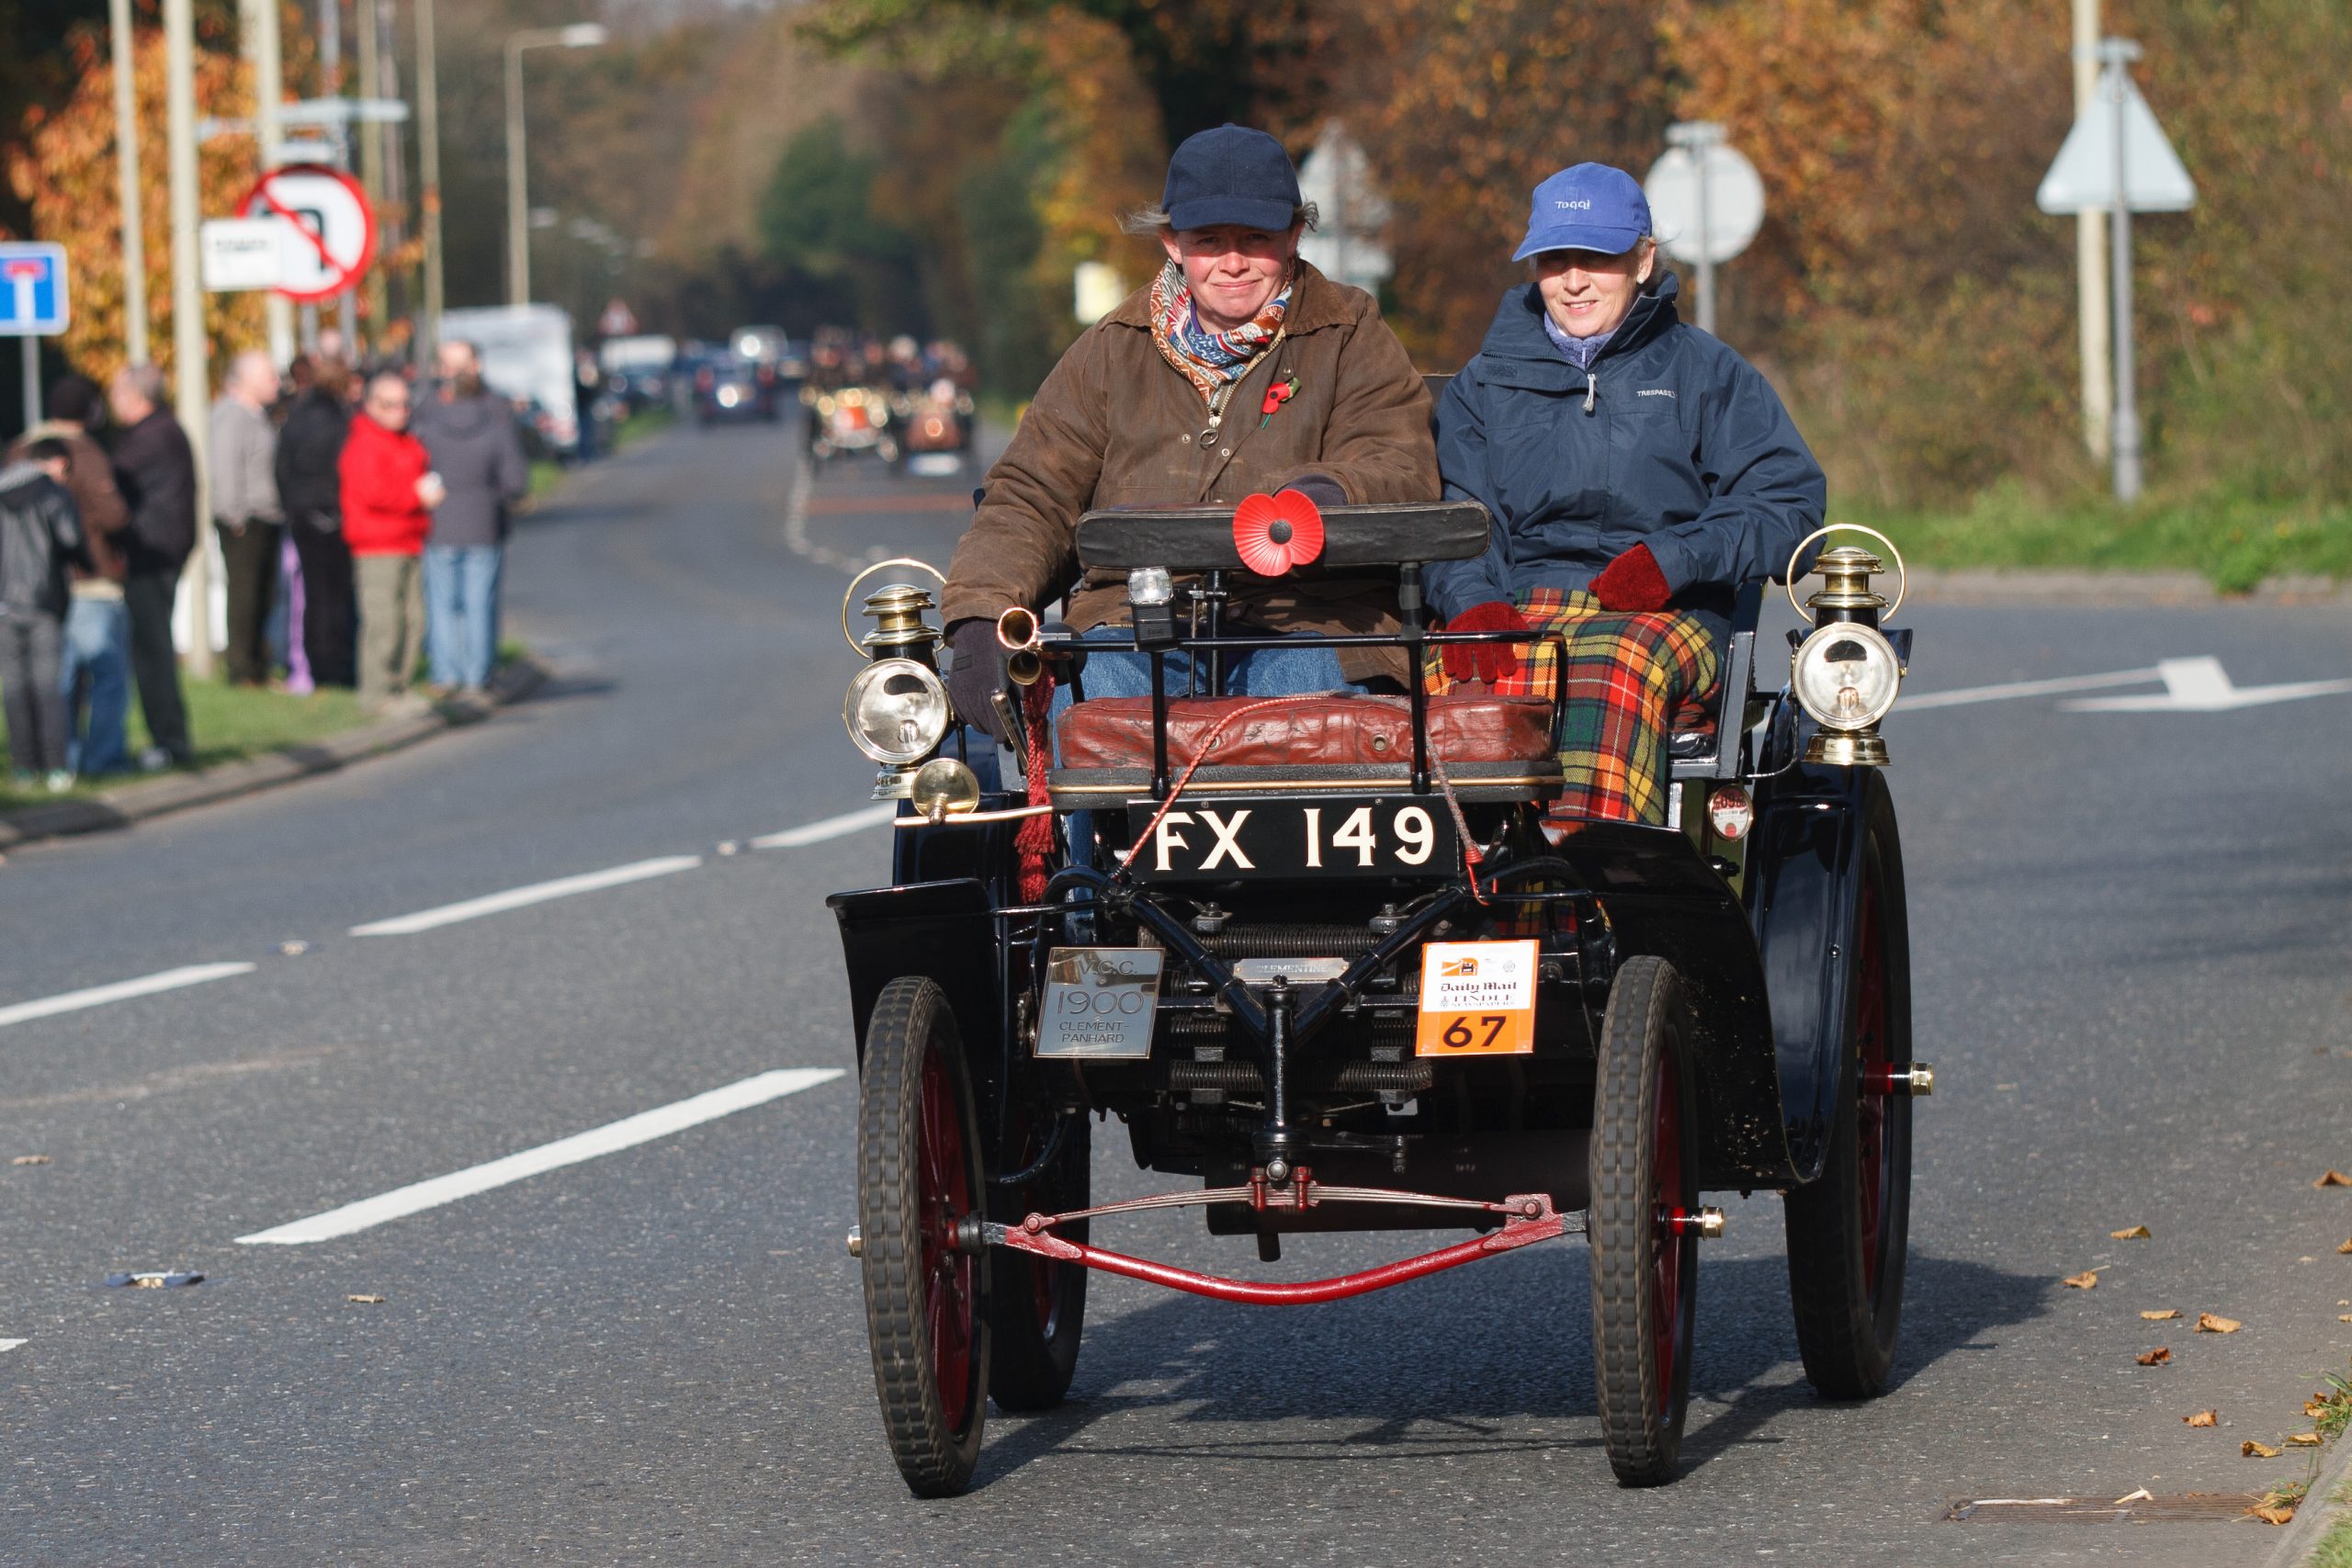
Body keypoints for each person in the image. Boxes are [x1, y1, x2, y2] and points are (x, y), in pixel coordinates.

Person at [941, 123, 1438, 732]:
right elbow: (1030, 497)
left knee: (1309, 704)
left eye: (1255, 239)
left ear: (1294, 236)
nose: (1232, 262)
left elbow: (1398, 462)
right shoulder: (1110, 349)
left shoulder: (1351, 333)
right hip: (1134, 619)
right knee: (1092, 703)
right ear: (1173, 243)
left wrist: (1319, 500)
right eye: (1210, 240)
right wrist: (979, 615)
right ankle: (1100, 832)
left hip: (1314, 617)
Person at [1427, 163, 1826, 825]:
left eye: (1597, 258)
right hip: (1522, 599)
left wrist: (1675, 558)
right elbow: (1455, 514)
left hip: (1668, 610)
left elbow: (1786, 505)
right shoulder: (1482, 382)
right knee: (1451, 678)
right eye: (1555, 260)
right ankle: (1469, 885)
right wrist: (1472, 603)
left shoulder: (1706, 370)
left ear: (1643, 261)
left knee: (1610, 662)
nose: (1574, 280)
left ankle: (1590, 883)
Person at [11, 375, 131, 775]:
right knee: (105, 673)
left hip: (23, 588)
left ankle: (49, 760)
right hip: (86, 580)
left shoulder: (18, 451)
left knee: (48, 679)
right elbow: (114, 516)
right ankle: (98, 759)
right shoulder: (87, 454)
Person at [412, 339, 527, 694]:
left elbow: (413, 469)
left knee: (441, 604)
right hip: (483, 524)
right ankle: (479, 673)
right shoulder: (496, 422)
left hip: (440, 523)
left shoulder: (426, 424)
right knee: (480, 602)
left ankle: (446, 673)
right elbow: (516, 481)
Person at [107, 363, 198, 768]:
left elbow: (112, 483)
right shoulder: (164, 430)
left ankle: (169, 741)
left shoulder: (148, 439)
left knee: (152, 650)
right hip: (162, 550)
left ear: (134, 397)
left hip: (151, 555)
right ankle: (170, 738)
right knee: (153, 646)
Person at [340, 370, 440, 706]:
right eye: (391, 405)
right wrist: (417, 497)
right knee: (384, 623)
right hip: (377, 546)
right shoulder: (363, 443)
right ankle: (377, 694)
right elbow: (375, 493)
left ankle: (400, 685)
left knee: (414, 620)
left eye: (404, 405)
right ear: (372, 405)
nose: (400, 412)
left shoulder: (406, 441)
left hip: (409, 540)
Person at [0, 438, 88, 790]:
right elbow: (70, 538)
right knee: (48, 686)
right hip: (44, 601)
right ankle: (56, 767)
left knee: (13, 686)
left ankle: (23, 766)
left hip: (4, 605)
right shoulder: (50, 493)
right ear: (53, 462)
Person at [276, 354, 357, 688]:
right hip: (335, 510)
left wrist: (291, 504)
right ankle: (340, 663)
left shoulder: (296, 416)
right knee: (339, 593)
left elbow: (282, 466)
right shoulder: (343, 419)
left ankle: (316, 664)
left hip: (302, 511)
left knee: (312, 591)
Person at [209, 349, 285, 686]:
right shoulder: (231, 415)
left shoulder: (257, 415)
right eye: (269, 376)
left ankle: (258, 666)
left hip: (265, 515)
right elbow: (225, 467)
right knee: (245, 596)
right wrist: (234, 513)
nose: (276, 383)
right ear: (247, 379)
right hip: (244, 519)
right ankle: (242, 670)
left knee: (263, 596)